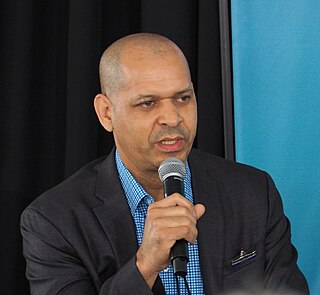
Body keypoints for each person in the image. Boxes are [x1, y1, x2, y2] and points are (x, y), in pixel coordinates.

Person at [20, 33, 309, 295]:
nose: (172, 118)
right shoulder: (54, 221)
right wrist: (144, 265)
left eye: (183, 98)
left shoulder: (254, 192)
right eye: (148, 103)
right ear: (106, 113)